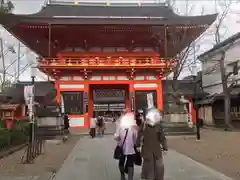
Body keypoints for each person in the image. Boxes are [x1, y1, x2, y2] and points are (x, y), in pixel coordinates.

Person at [136, 108, 168, 180]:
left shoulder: (145, 125)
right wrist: (165, 147)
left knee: (151, 167)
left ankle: (151, 177)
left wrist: (137, 145)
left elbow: (139, 135)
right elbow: (162, 138)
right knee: (157, 167)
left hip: (149, 150)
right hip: (154, 151)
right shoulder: (157, 125)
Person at [114, 112, 137, 180]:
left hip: (124, 148)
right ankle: (127, 177)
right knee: (129, 163)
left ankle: (123, 175)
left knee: (123, 162)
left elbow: (116, 137)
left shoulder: (122, 127)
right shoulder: (132, 128)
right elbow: (135, 138)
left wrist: (119, 138)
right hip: (128, 148)